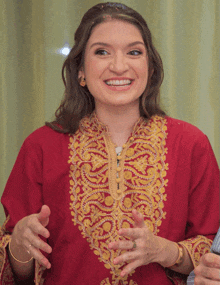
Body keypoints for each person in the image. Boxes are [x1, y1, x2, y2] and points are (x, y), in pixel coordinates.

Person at [0, 2, 219, 285]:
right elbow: (14, 271)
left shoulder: (190, 145)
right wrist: (18, 247)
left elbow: (213, 250)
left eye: (134, 52)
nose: (118, 66)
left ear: (150, 68)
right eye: (102, 52)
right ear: (80, 70)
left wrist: (165, 251)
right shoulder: (41, 146)